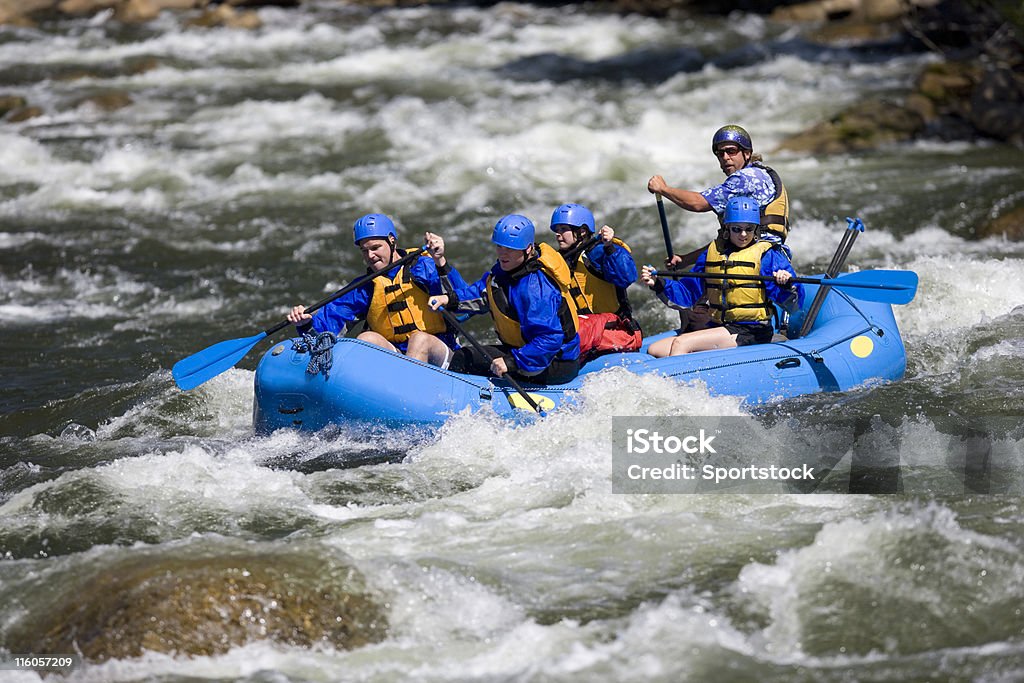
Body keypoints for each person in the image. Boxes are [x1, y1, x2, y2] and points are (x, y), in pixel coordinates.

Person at [286, 213, 465, 368]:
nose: (370, 256)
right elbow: (325, 334)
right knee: (366, 339)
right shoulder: (365, 287)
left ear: (392, 241)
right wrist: (305, 324)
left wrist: (440, 261)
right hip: (399, 357)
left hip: (440, 353)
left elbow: (463, 300)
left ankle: (407, 394)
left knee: (419, 340)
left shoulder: (424, 266)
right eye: (365, 251)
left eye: (375, 248)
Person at [639, 196, 803, 357]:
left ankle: (679, 384)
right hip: (720, 326)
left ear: (756, 230)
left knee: (681, 343)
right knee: (656, 349)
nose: (743, 234)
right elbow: (688, 293)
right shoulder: (712, 253)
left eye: (749, 229)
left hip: (751, 330)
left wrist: (786, 284)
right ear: (727, 229)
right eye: (737, 229)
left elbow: (793, 305)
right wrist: (657, 283)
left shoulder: (768, 255)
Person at [428, 214, 581, 385]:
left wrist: (512, 362)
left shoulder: (536, 289)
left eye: (510, 248)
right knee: (464, 356)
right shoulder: (504, 273)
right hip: (525, 351)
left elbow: (550, 339)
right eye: (499, 246)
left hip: (554, 362)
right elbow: (481, 293)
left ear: (528, 249)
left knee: (463, 361)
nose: (502, 253)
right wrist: (450, 299)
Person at [647, 124, 791, 265]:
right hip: (764, 254)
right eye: (720, 153)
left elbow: (697, 203)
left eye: (731, 151)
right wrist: (686, 260)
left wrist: (663, 189)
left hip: (762, 260)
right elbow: (727, 239)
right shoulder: (760, 172)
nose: (725, 157)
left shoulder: (746, 178)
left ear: (747, 153)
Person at [549, 202, 642, 361]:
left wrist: (610, 247)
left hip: (614, 330)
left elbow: (627, 276)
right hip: (585, 332)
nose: (558, 234)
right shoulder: (560, 261)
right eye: (557, 230)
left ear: (582, 231)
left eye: (564, 229)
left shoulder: (597, 252)